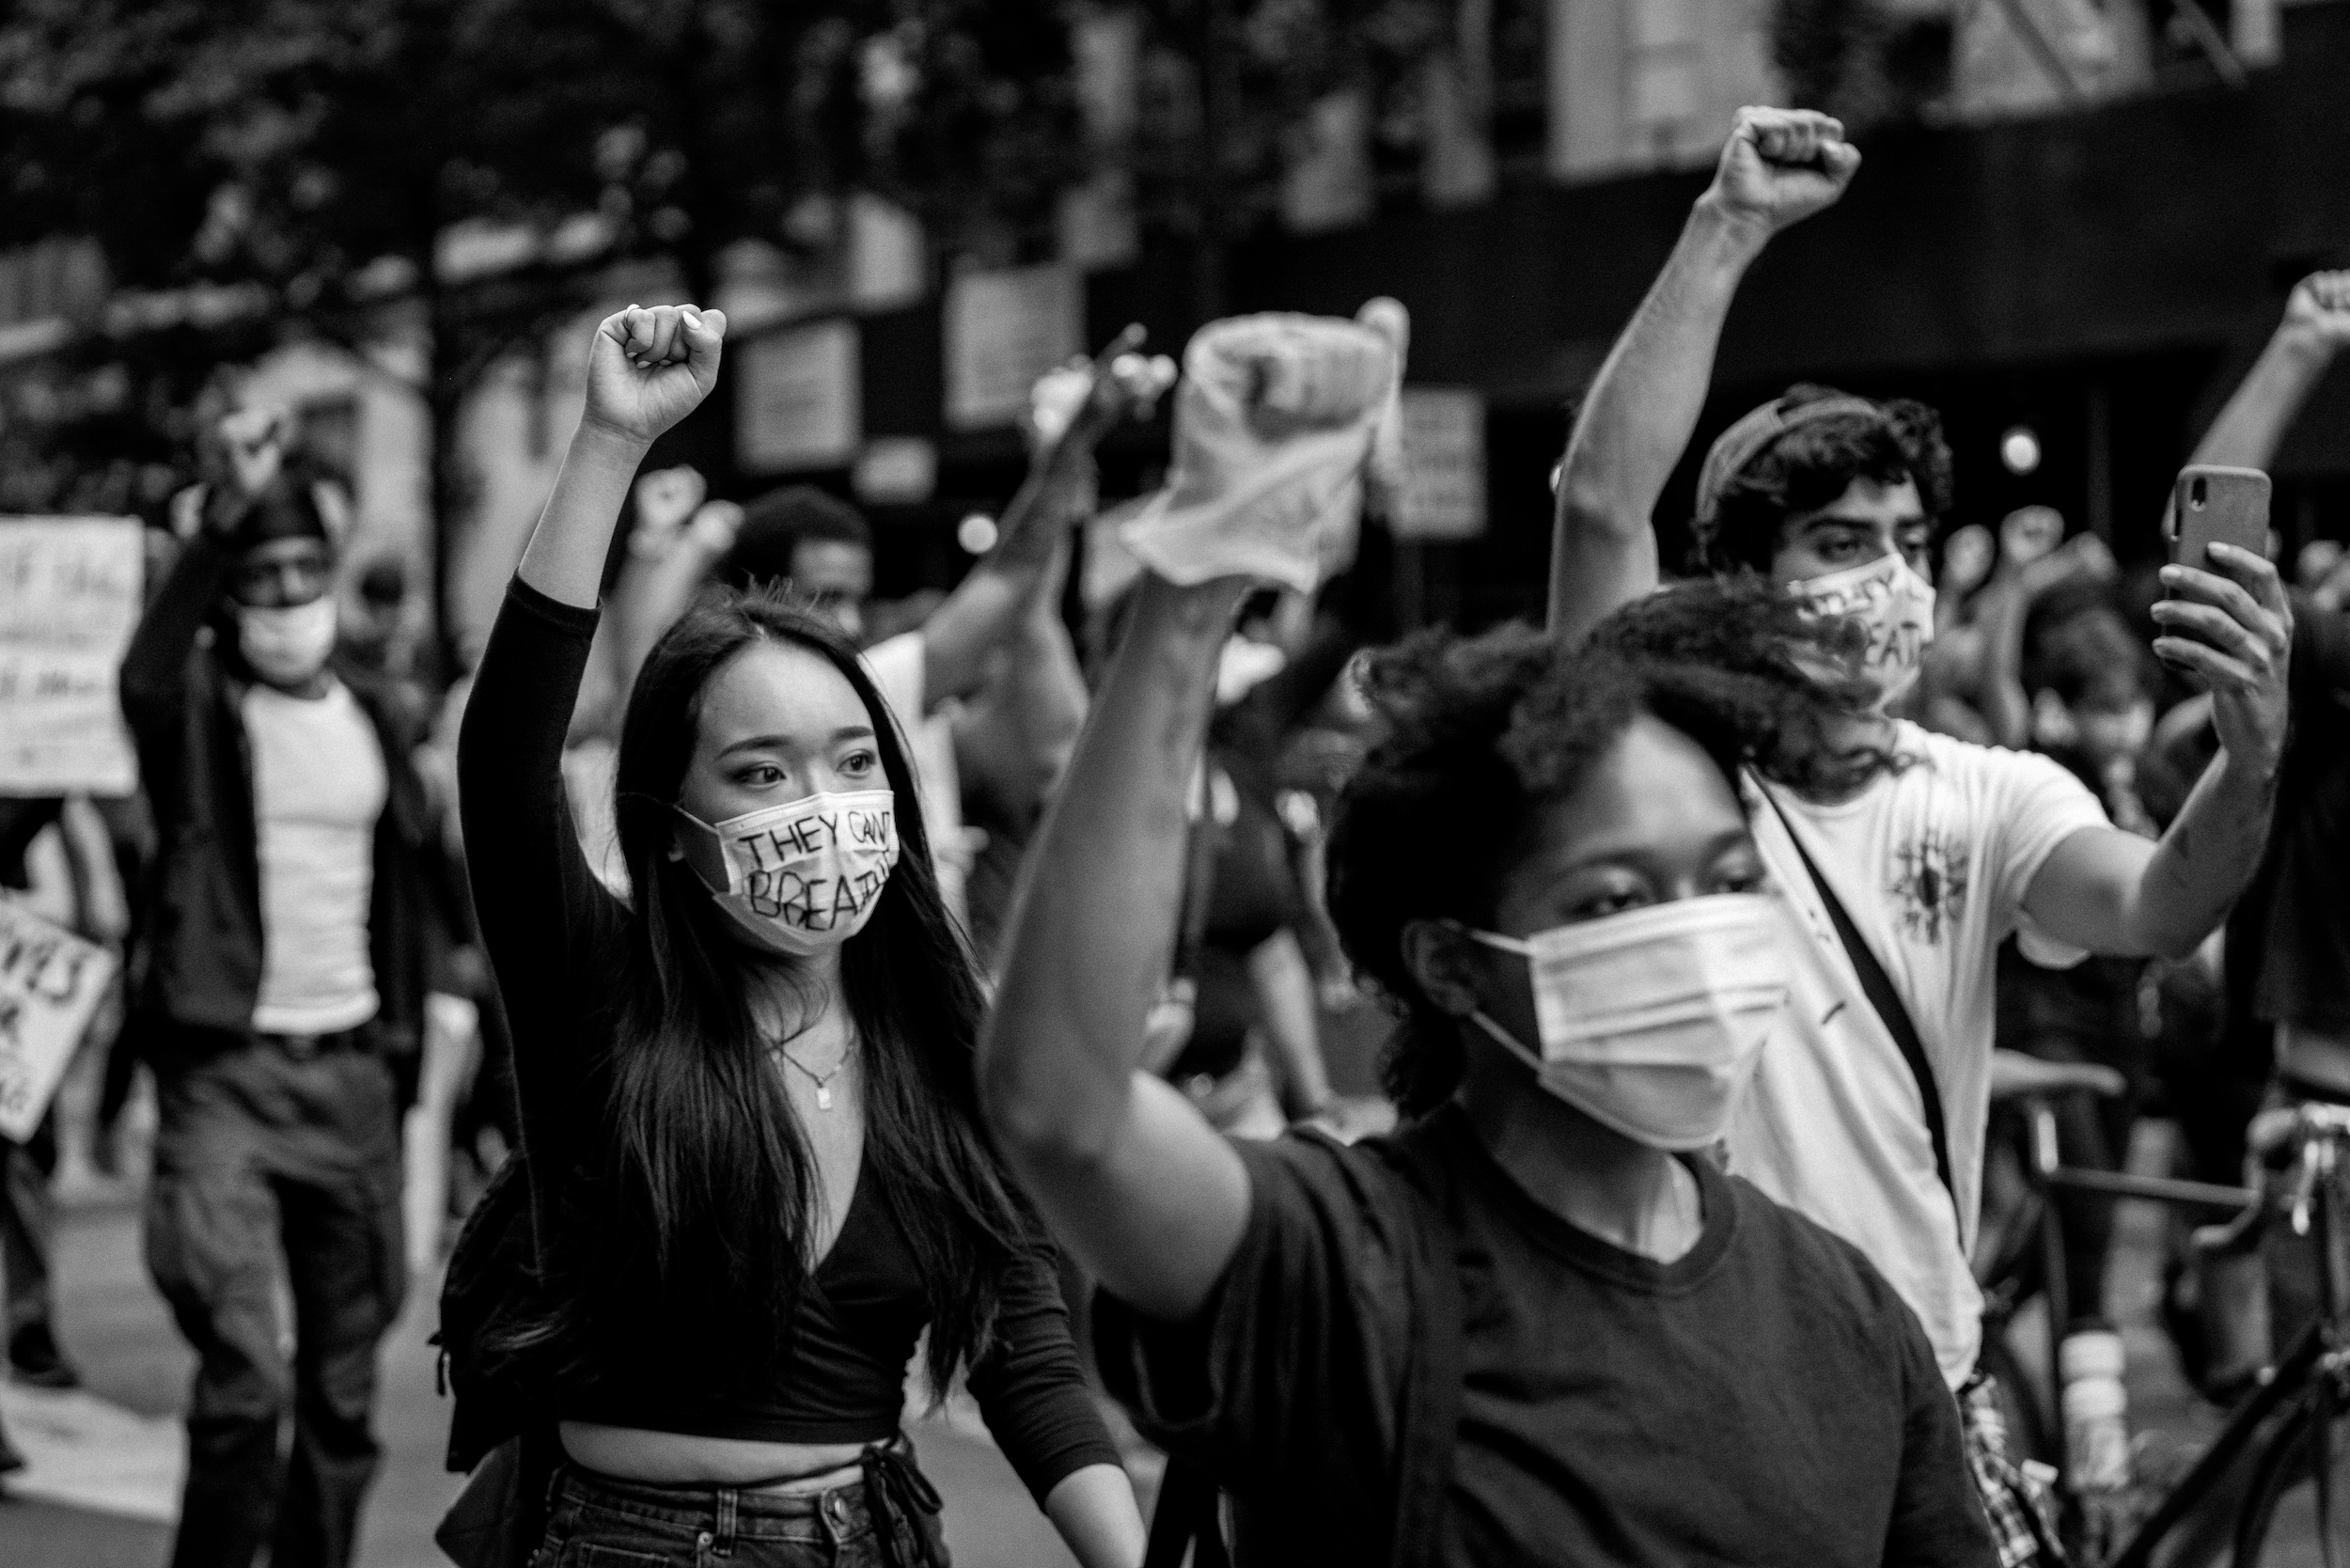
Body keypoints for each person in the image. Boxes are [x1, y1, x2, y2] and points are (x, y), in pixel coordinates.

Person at [977, 305, 1997, 1565]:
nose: (1701, 936)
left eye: (1729, 880)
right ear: (1451, 961)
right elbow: (1062, 1111)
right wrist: (1196, 586)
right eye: (1618, 899)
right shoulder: (1339, 1268)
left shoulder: (1850, 1321)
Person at [1547, 106, 2295, 1557]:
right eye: (1840, 544)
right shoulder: (1665, 765)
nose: (1888, 578)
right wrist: (1730, 225)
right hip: (1700, 1391)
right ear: (1740, 578)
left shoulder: (1983, 789)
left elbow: (2153, 906)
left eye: (1903, 540)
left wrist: (2250, 762)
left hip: (1927, 1383)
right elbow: (1596, 501)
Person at [455, 302, 1141, 1568]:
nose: (822, 810)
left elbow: (1024, 1348)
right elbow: (503, 770)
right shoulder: (600, 994)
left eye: (848, 762)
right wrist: (610, 443)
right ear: (668, 824)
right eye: (763, 776)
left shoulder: (942, 1037)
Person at [117, 408, 447, 1568]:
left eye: (308, 567)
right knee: (247, 1380)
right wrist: (214, 521)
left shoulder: (373, 709)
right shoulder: (199, 707)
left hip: (354, 1078)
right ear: (229, 594)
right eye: (263, 576)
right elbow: (144, 673)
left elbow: (415, 893)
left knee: (344, 1401)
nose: (291, 592)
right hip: (227, 1081)